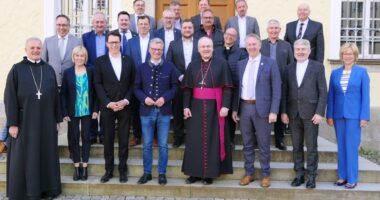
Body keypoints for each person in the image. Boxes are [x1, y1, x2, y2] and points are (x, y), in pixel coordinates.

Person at [4, 37, 62, 199]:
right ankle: (26, 192)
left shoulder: (48, 69)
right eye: (32, 48)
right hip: (25, 122)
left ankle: (47, 189)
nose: (36, 50)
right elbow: (10, 98)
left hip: (46, 121)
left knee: (46, 154)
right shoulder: (17, 69)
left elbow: (55, 97)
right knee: (26, 157)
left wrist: (57, 119)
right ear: (26, 50)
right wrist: (13, 124)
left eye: (38, 48)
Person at [232, 34, 281, 188]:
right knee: (247, 144)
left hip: (263, 110)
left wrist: (274, 111)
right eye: (249, 44)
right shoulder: (241, 64)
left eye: (254, 44)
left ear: (260, 46)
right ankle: (249, 173)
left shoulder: (270, 63)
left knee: (264, 143)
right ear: (245, 46)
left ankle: (266, 174)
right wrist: (235, 109)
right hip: (244, 107)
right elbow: (236, 89)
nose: (252, 47)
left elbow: (277, 89)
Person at [182, 37, 233, 185]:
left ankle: (209, 174)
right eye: (203, 46)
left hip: (215, 108)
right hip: (196, 108)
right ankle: (194, 173)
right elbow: (186, 89)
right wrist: (186, 106)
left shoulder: (221, 64)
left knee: (213, 139)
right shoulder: (192, 65)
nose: (205, 49)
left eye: (208, 46)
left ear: (213, 48)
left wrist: (225, 106)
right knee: (194, 141)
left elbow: (228, 88)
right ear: (198, 49)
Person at [281, 39, 327, 189]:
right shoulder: (288, 68)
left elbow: (323, 92)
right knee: (296, 146)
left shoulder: (318, 67)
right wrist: (284, 112)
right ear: (294, 52)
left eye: (303, 49)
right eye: (298, 49)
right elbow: (284, 92)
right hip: (293, 114)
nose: (300, 52)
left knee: (312, 147)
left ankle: (312, 176)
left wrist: (320, 112)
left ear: (309, 51)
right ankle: (299, 174)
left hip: (312, 114)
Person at [134, 38, 179, 185]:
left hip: (164, 111)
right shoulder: (141, 68)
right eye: (154, 49)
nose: (157, 51)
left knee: (163, 144)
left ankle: (161, 173)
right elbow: (136, 88)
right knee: (147, 144)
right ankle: (147, 173)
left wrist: (165, 98)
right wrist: (144, 99)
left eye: (160, 49)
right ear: (149, 49)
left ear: (163, 50)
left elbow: (174, 87)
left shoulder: (170, 67)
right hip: (146, 111)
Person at [326, 43, 370, 189]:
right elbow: (330, 96)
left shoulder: (362, 72)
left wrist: (364, 116)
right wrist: (329, 115)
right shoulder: (335, 73)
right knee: (341, 146)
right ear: (341, 55)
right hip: (338, 115)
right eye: (345, 53)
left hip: (354, 116)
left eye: (350, 54)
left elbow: (365, 96)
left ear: (355, 56)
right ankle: (342, 176)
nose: (348, 56)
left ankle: (352, 178)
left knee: (351, 146)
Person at [94, 31, 135, 183]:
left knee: (124, 140)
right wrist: (107, 102)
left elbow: (133, 83)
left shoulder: (129, 61)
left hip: (125, 106)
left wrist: (126, 100)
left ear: (120, 43)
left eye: (116, 42)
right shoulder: (100, 62)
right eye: (111, 42)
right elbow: (97, 84)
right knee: (108, 140)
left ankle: (123, 170)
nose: (114, 45)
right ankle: (108, 170)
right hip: (107, 107)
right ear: (107, 44)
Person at [61, 46, 99, 181]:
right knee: (74, 138)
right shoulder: (67, 73)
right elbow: (63, 94)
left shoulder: (91, 71)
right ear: (73, 57)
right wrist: (64, 112)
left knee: (86, 137)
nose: (79, 58)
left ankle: (85, 166)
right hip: (73, 111)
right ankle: (77, 167)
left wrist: (96, 109)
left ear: (85, 58)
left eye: (82, 56)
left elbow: (96, 92)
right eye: (77, 55)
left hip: (88, 111)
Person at [260, 19, 294, 150]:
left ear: (280, 30)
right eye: (271, 28)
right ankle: (262, 139)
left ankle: (279, 140)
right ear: (267, 30)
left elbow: (291, 65)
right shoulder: (261, 44)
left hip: (281, 82)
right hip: (263, 83)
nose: (273, 30)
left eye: (276, 28)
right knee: (263, 111)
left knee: (280, 111)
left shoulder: (286, 45)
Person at [166, 19, 200, 148]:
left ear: (193, 29)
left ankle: (193, 137)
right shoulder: (173, 44)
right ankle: (178, 137)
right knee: (178, 109)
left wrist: (195, 76)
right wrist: (180, 75)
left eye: (189, 28)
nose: (187, 30)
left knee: (196, 110)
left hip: (197, 82)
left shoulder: (199, 43)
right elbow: (169, 62)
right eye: (185, 27)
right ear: (181, 29)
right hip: (179, 82)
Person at [215, 27, 246, 147]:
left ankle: (230, 140)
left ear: (236, 38)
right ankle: (217, 139)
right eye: (227, 34)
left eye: (232, 35)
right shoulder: (216, 51)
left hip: (233, 89)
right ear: (224, 35)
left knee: (230, 116)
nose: (229, 37)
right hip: (217, 88)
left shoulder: (241, 53)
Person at [126, 15, 154, 146]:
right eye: (141, 24)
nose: (143, 26)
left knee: (153, 110)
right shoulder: (131, 42)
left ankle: (153, 137)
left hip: (153, 80)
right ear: (137, 26)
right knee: (135, 110)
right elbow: (127, 61)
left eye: (145, 24)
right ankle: (137, 136)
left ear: (149, 26)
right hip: (135, 81)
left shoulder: (156, 41)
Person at [82, 11, 109, 144]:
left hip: (107, 75)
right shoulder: (85, 37)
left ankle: (104, 134)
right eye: (97, 22)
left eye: (102, 22)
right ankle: (92, 134)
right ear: (93, 24)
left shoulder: (111, 36)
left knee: (104, 104)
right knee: (91, 103)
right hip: (91, 74)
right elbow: (84, 56)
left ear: (106, 23)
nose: (99, 24)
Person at [42, 14, 83, 88]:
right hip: (52, 83)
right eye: (58, 25)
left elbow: (81, 62)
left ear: (69, 26)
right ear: (55, 25)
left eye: (64, 25)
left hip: (72, 83)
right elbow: (43, 62)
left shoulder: (78, 41)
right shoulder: (48, 41)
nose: (61, 27)